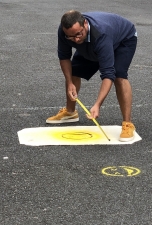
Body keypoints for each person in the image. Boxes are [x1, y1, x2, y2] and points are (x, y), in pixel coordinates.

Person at [46, 10, 138, 142]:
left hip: (123, 40)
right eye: (71, 37)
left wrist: (97, 105)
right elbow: (64, 57)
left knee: (119, 75)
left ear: (85, 24)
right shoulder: (65, 32)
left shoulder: (102, 34)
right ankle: (70, 112)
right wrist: (69, 82)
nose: (76, 39)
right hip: (92, 43)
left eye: (78, 34)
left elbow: (108, 74)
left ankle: (128, 124)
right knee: (74, 72)